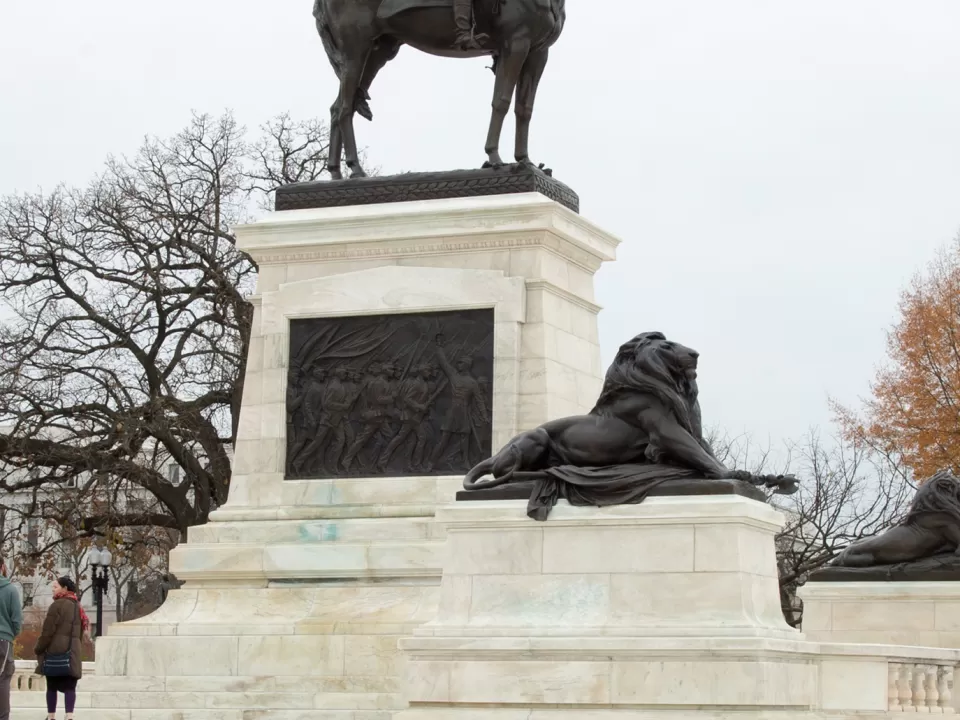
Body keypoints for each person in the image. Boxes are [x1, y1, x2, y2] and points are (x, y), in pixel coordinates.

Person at [35, 577, 90, 720]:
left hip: (56, 651)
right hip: (73, 652)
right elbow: (79, 634)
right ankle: (69, 716)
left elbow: (47, 631)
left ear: (65, 588)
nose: (53, 589)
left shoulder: (57, 605)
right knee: (70, 686)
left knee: (52, 685)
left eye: (55, 587)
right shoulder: (78, 607)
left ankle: (51, 716)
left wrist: (39, 648)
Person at [0, 555, 22, 720]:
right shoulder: (10, 589)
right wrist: (10, 634)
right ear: (2, 567)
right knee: (3, 680)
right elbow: (16, 620)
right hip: (3, 640)